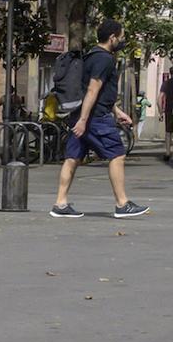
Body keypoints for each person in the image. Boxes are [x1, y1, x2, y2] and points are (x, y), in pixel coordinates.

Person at [52, 20, 149, 219]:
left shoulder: (90, 56)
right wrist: (84, 120)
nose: (122, 41)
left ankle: (60, 204)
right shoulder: (105, 59)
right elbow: (92, 89)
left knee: (72, 158)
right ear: (112, 37)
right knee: (117, 154)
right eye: (121, 37)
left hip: (82, 115)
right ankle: (122, 204)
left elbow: (100, 92)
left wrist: (117, 111)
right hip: (95, 119)